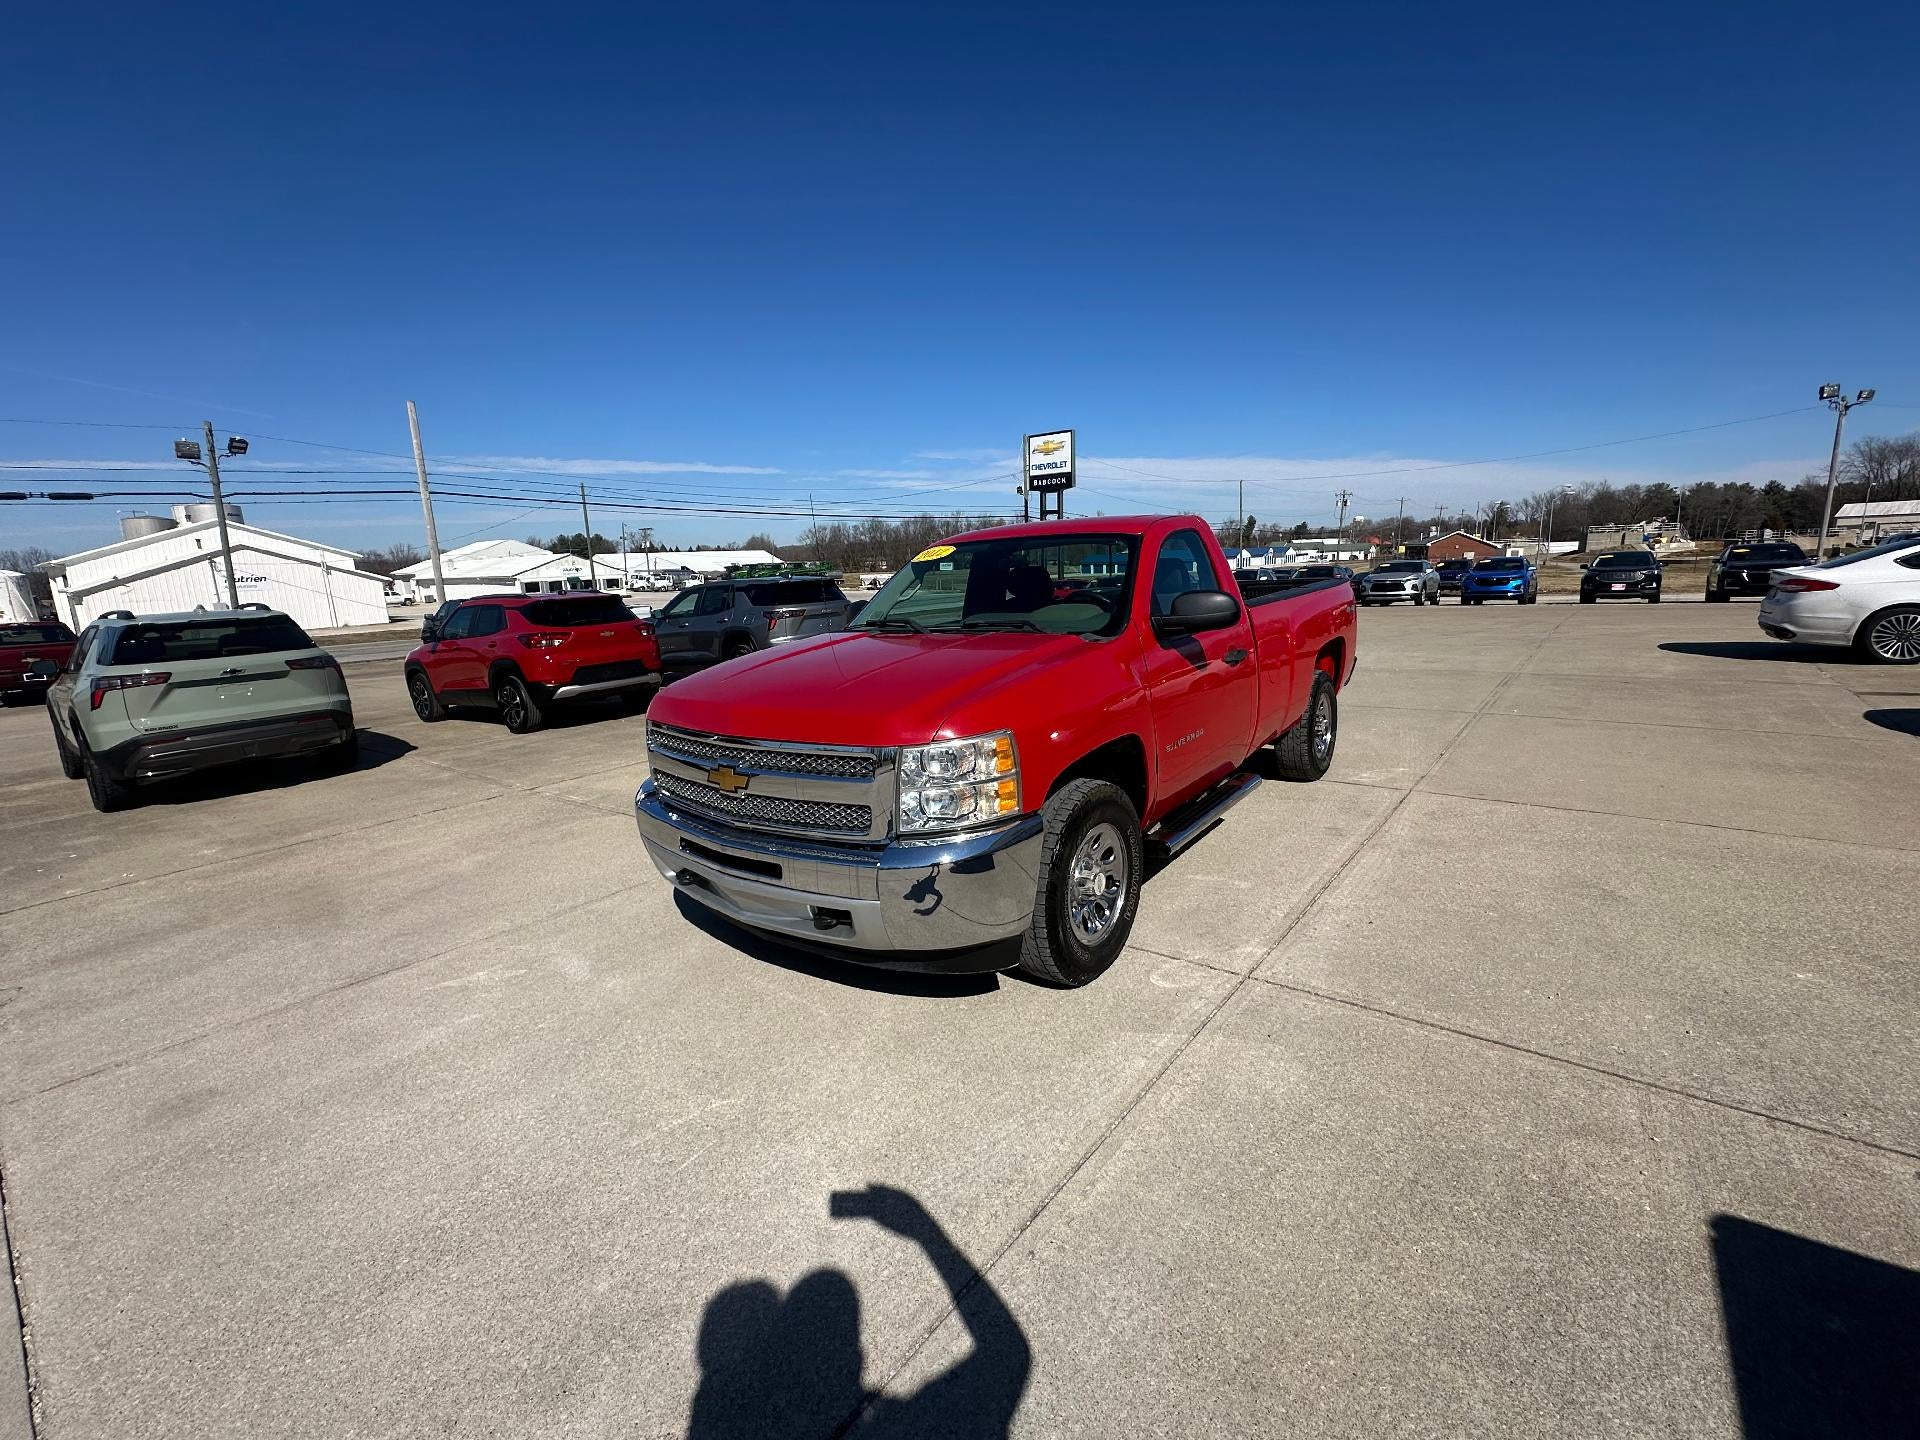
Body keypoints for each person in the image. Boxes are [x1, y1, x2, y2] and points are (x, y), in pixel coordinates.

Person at [687, 1186, 1031, 1438]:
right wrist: (926, 1234)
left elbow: (1010, 1356)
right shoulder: (890, 1422)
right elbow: (1008, 1353)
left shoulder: (714, 1414)